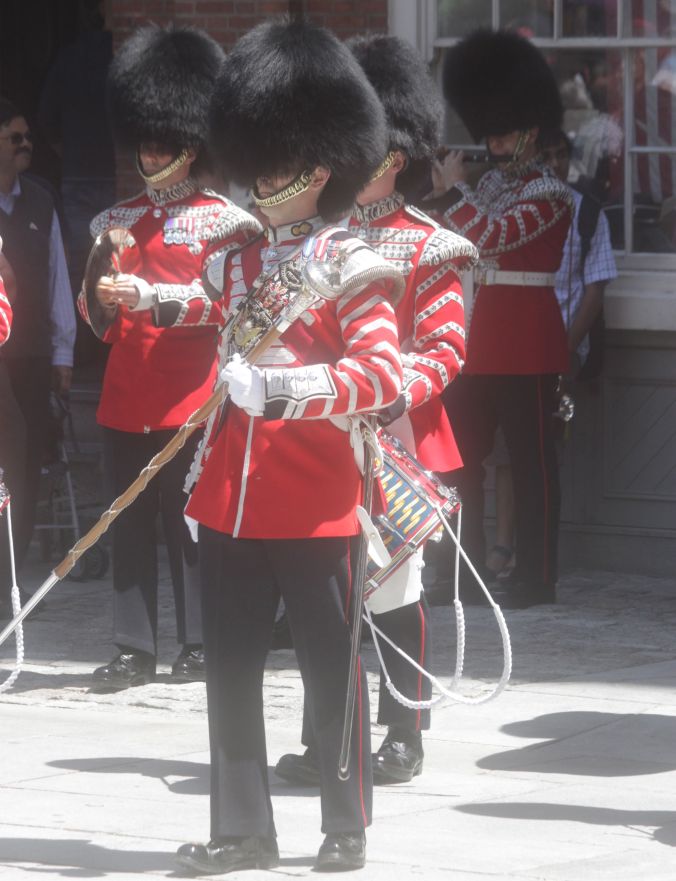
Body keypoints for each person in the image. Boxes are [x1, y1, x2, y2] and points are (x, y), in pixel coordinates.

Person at [162, 19, 403, 874]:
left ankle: (345, 824)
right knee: (228, 671)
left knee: (331, 670)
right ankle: (242, 829)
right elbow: (202, 315)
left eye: (279, 163)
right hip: (230, 495)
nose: (263, 179)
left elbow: (382, 375)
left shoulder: (353, 262)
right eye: (258, 161)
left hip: (315, 496)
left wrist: (287, 390)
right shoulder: (237, 262)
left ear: (321, 166)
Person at [274, 34, 477, 790]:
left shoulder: (430, 245)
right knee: (322, 595)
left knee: (392, 590)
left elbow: (445, 349)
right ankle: (328, 736)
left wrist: (382, 392)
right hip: (315, 438)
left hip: (395, 440)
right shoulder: (312, 241)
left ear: (392, 155)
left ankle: (403, 729)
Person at [78, 25, 261, 689]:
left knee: (190, 525)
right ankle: (134, 646)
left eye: (163, 143)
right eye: (146, 142)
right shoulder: (113, 222)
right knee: (125, 523)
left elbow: (229, 306)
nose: (151, 153)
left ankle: (200, 641)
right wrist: (101, 294)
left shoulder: (227, 222)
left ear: (189, 146)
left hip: (191, 393)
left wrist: (152, 296)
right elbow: (94, 317)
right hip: (127, 392)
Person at [430, 29, 572, 610]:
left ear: (530, 133)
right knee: (459, 463)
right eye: (489, 133)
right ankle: (461, 569)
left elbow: (490, 237)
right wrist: (443, 192)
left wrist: (454, 195)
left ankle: (536, 577)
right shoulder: (486, 183)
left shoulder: (551, 194)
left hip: (527, 345)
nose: (493, 143)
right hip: (476, 341)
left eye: (504, 133)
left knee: (532, 466)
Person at [486, 127, 618, 575]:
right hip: (515, 344)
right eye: (549, 155)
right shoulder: (509, 205)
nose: (557, 164)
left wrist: (562, 351)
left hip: (560, 342)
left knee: (536, 450)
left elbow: (594, 290)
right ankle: (505, 544)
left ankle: (532, 553)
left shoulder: (587, 211)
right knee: (510, 448)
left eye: (563, 155)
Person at [0, 98, 76, 621]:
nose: (26, 145)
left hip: (28, 355)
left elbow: (57, 279)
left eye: (28, 137)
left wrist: (63, 351)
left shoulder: (42, 200)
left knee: (24, 467)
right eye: (15, 138)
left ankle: (9, 578)